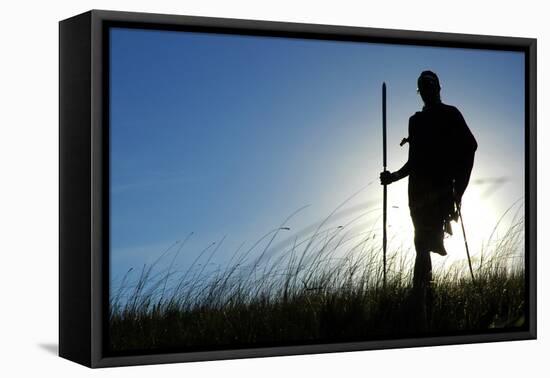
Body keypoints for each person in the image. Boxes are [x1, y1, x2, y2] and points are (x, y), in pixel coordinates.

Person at [380, 71, 478, 312]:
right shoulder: (416, 121)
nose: (426, 89)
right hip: (417, 192)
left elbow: (470, 146)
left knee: (422, 243)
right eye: (422, 86)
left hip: (440, 189)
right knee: (420, 243)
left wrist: (458, 189)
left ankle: (420, 300)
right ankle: (425, 299)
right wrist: (392, 177)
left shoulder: (450, 114)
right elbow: (413, 161)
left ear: (438, 87)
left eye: (430, 84)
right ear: (420, 91)